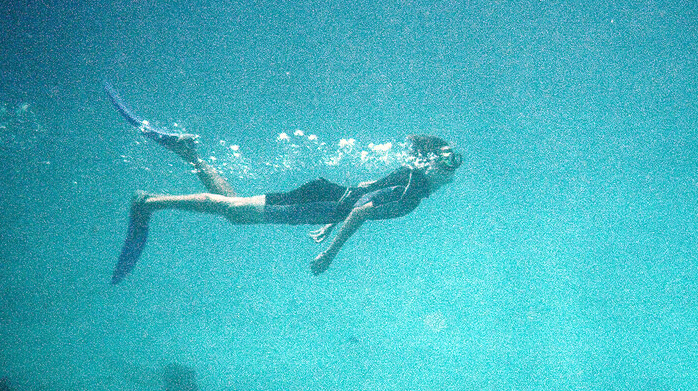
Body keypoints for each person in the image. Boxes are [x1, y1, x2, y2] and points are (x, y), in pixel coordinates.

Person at [105, 84, 462, 281]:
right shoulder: (412, 192)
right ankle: (149, 201)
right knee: (233, 211)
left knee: (234, 207)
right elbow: (363, 211)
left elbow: (365, 189)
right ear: (432, 163)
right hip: (313, 204)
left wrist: (329, 220)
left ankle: (190, 154)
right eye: (449, 161)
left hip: (321, 198)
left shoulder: (410, 178)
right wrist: (329, 253)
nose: (452, 169)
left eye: (454, 162)